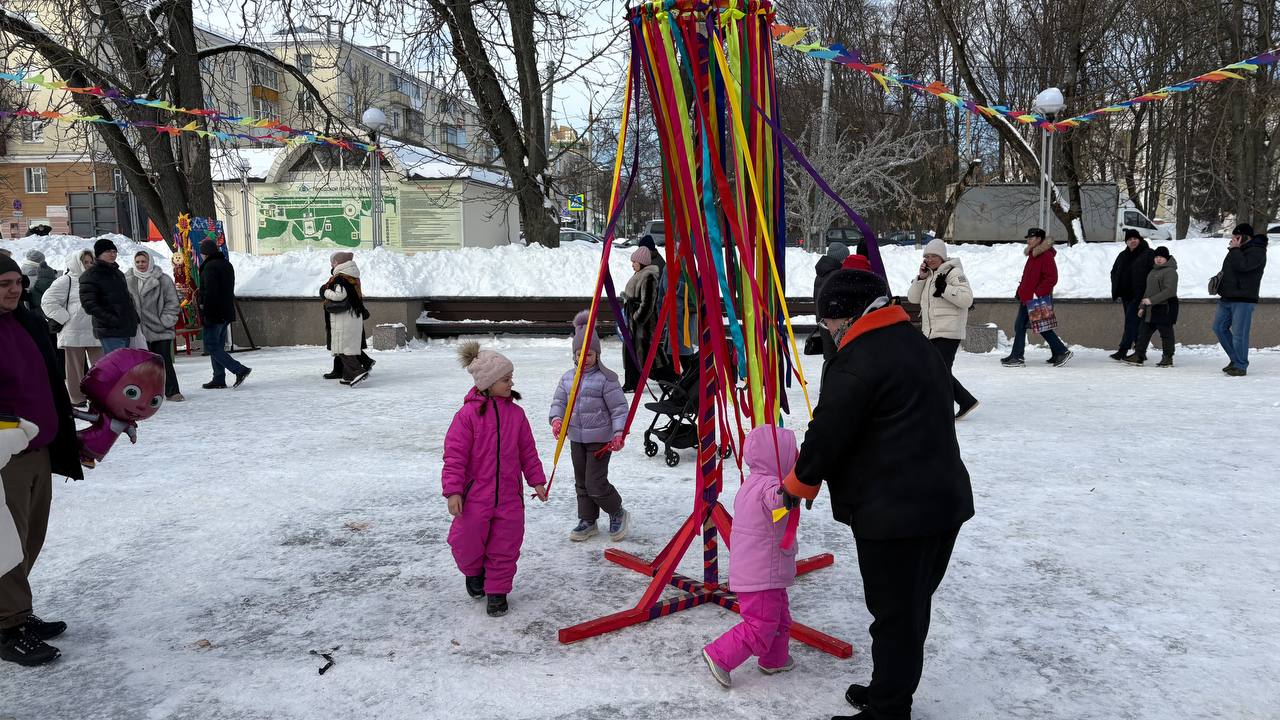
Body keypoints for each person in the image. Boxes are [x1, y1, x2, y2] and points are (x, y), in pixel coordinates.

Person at [781, 267, 974, 720]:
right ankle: (887, 689)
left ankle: (888, 710)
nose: (825, 328)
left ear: (846, 316)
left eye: (827, 319)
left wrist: (798, 482)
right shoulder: (914, 342)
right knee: (905, 612)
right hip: (938, 503)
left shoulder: (857, 361)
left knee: (896, 618)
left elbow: (828, 433)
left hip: (898, 513)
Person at [0, 253, 84, 667]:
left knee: (30, 536)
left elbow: (49, 384)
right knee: (5, 544)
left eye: (17, 282)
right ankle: (7, 626)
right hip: (4, 456)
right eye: (3, 284)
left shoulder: (28, 322)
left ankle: (17, 611)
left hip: (39, 449)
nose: (14, 289)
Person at [443, 342, 548, 617]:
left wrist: (536, 480)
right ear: (488, 383)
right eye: (505, 379)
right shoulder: (467, 417)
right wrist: (454, 491)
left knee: (506, 544)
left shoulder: (517, 415)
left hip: (509, 497)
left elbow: (528, 451)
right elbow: (454, 456)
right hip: (475, 496)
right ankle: (474, 572)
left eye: (510, 378)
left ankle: (498, 592)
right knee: (465, 541)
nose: (511, 382)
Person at [702, 424, 799, 688]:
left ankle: (774, 658)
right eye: (794, 454)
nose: (797, 458)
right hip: (762, 574)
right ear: (778, 457)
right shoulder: (770, 486)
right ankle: (720, 655)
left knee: (778, 617)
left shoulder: (753, 482)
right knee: (761, 625)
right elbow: (778, 500)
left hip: (763, 570)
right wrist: (792, 488)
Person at [550, 311, 630, 543]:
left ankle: (617, 512)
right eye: (580, 353)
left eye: (590, 353)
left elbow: (618, 409)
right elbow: (559, 402)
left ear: (597, 354)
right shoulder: (567, 378)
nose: (585, 358)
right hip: (577, 438)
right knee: (582, 482)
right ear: (574, 355)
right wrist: (557, 419)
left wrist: (618, 433)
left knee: (596, 483)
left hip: (600, 440)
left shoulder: (607, 380)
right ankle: (588, 520)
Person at [908, 239, 979, 419]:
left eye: (933, 256)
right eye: (927, 256)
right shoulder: (929, 275)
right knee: (937, 371)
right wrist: (921, 278)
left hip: (949, 331)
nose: (930, 259)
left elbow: (966, 299)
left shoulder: (953, 273)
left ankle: (950, 405)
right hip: (931, 331)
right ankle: (965, 400)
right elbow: (913, 299)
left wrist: (945, 288)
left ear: (942, 256)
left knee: (938, 371)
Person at [1001, 228, 1072, 367]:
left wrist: (1037, 293)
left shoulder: (1045, 255)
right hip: (1027, 297)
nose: (1028, 240)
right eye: (1027, 238)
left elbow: (1052, 278)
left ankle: (1060, 351)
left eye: (1031, 238)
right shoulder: (1033, 255)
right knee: (1023, 326)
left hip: (1035, 298)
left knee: (1038, 327)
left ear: (1039, 239)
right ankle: (1018, 355)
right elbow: (1027, 277)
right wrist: (1020, 291)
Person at [41, 251, 101, 407]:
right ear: (77, 263)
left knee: (100, 367)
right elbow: (48, 302)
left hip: (96, 330)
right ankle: (77, 398)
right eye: (85, 262)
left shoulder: (97, 279)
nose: (88, 265)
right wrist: (66, 318)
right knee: (74, 369)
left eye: (90, 262)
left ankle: (99, 396)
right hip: (73, 331)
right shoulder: (65, 281)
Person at [125, 251, 184, 401]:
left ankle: (172, 391)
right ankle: (147, 394)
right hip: (139, 330)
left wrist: (165, 321)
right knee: (142, 365)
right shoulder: (128, 280)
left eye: (143, 261)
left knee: (163, 362)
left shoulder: (163, 280)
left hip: (160, 329)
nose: (141, 265)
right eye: (137, 262)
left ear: (149, 262)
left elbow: (172, 303)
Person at [1213, 224, 1268, 376]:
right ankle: (1235, 359)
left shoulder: (1258, 250)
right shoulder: (1235, 251)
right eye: (1232, 237)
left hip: (1244, 299)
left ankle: (1241, 365)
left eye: (1236, 237)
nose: (1233, 240)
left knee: (1239, 334)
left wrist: (1235, 250)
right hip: (1227, 297)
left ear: (1245, 237)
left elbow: (1243, 267)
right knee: (1218, 327)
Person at [197, 238, 251, 389]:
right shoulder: (226, 264)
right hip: (225, 312)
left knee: (212, 346)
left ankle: (239, 369)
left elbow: (210, 292)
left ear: (205, 254)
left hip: (214, 313)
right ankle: (218, 378)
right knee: (218, 346)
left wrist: (205, 309)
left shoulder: (209, 267)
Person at [78, 238, 140, 355]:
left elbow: (126, 298)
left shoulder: (118, 273)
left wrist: (133, 317)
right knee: (117, 366)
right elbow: (89, 304)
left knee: (125, 366)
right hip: (109, 330)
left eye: (114, 251)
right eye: (108, 251)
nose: (112, 254)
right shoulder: (90, 275)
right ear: (99, 254)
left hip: (126, 328)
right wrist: (112, 319)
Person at [321, 252, 374, 383]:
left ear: (339, 263)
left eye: (333, 262)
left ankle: (358, 372)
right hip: (352, 316)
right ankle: (348, 375)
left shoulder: (341, 278)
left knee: (343, 348)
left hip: (344, 318)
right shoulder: (352, 276)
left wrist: (325, 292)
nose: (331, 264)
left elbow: (340, 295)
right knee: (346, 347)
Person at [1124, 246, 1179, 367]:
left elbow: (1170, 291)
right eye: (1157, 257)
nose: (1158, 259)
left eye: (1161, 257)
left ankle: (1167, 358)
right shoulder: (1153, 271)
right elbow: (1147, 291)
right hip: (1151, 308)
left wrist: (1151, 300)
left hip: (1165, 307)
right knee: (1143, 332)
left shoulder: (1170, 271)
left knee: (1166, 334)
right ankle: (1139, 355)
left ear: (1167, 258)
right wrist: (1142, 306)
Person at [621, 246, 665, 393]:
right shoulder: (639, 274)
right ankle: (631, 383)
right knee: (633, 353)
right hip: (634, 325)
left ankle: (670, 379)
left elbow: (648, 302)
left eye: (635, 261)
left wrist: (637, 317)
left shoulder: (649, 276)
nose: (632, 264)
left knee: (651, 356)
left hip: (643, 326)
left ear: (642, 262)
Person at [1108, 230, 1155, 361]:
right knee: (1133, 323)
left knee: (1131, 322)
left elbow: (1154, 274)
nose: (1132, 241)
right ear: (1126, 242)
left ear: (1139, 239)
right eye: (1129, 239)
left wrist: (1147, 293)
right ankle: (1139, 351)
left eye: (1134, 238)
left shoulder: (1148, 254)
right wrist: (1117, 285)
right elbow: (1114, 271)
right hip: (1126, 295)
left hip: (1140, 295)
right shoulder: (1123, 255)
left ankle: (1124, 350)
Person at [814, 242, 850, 362]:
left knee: (829, 360)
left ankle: (827, 380)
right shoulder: (836, 275)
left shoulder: (821, 272)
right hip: (835, 324)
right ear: (841, 258)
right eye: (846, 257)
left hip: (823, 323)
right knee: (840, 360)